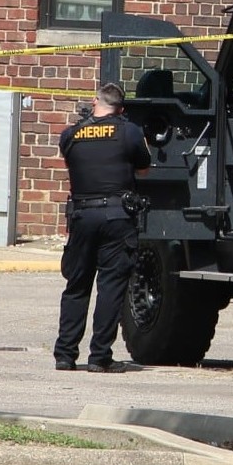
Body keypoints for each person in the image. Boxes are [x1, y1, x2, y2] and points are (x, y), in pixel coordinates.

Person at [52, 81, 149, 373]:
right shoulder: (129, 132)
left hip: (82, 216)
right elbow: (144, 168)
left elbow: (71, 163)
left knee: (76, 286)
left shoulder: (70, 135)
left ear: (95, 102)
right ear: (121, 109)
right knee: (111, 287)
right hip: (117, 217)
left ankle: (65, 355)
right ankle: (99, 356)